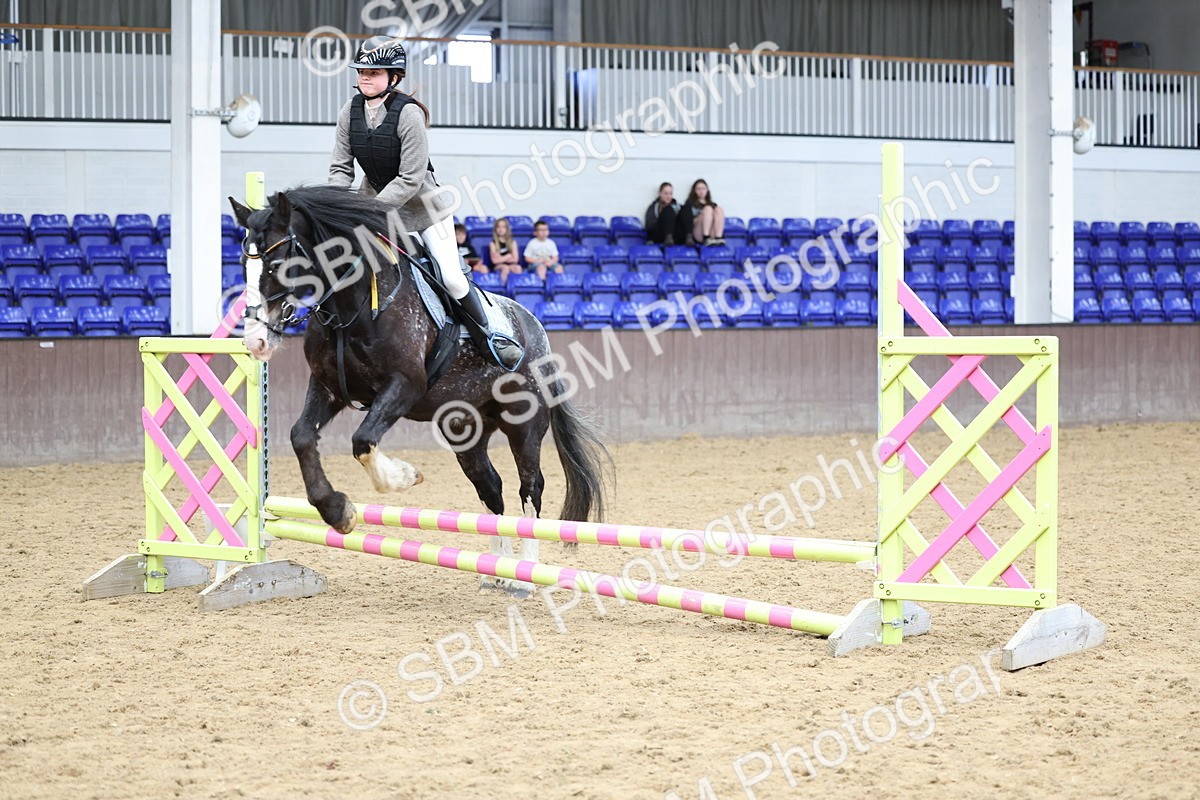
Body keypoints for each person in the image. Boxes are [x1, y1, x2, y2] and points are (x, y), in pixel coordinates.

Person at [327, 35, 522, 370]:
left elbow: (410, 178)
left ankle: (490, 338)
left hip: (423, 209)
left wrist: (367, 211)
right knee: (347, 265)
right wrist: (335, 208)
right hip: (374, 206)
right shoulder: (350, 111)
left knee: (451, 278)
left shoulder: (409, 115)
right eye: (361, 70)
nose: (364, 76)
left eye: (373, 72)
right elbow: (340, 168)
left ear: (394, 77)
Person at [675, 178, 726, 247]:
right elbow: (689, 222)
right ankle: (706, 237)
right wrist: (702, 215)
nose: (701, 191)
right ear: (694, 191)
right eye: (698, 189)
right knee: (708, 209)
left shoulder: (713, 204)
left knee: (719, 209)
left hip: (712, 231)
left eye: (703, 189)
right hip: (698, 232)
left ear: (707, 190)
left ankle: (718, 237)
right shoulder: (690, 203)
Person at [488, 217, 521, 282]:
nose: (501, 229)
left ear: (507, 229)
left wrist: (501, 258)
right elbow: (495, 261)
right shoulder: (493, 243)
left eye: (503, 227)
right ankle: (503, 289)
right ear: (495, 229)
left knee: (518, 268)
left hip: (511, 265)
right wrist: (508, 256)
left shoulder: (513, 242)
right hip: (498, 266)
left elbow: (515, 259)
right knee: (505, 268)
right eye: (498, 227)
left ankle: (517, 289)